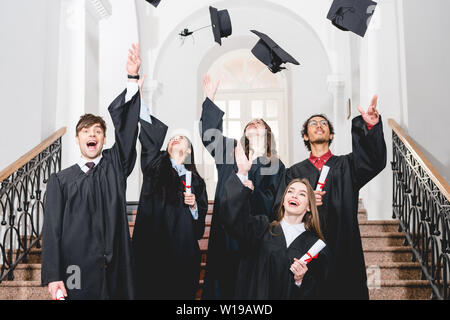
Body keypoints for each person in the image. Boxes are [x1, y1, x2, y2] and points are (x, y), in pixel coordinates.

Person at [41, 43, 143, 300]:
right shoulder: (61, 181)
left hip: (115, 268)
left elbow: (128, 135)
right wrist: (54, 277)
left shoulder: (114, 166)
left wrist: (132, 80)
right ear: (77, 139)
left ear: (103, 138)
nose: (92, 134)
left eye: (97, 131)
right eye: (86, 131)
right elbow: (52, 230)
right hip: (76, 272)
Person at [272, 95, 387, 299]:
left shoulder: (348, 166)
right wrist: (303, 202)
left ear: (331, 134)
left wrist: (370, 127)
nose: (319, 125)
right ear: (305, 136)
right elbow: (279, 209)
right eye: (313, 123)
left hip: (344, 245)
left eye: (324, 123)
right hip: (306, 247)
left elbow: (374, 162)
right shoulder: (293, 172)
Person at [199, 75, 286, 299]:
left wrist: (247, 187)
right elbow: (210, 136)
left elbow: (274, 201)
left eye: (260, 123)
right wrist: (209, 98)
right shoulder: (231, 151)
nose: (254, 124)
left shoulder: (275, 164)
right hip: (226, 230)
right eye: (250, 123)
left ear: (268, 134)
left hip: (254, 234)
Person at [218, 143, 329, 299]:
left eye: (302, 194)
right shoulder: (261, 228)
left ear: (309, 207)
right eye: (290, 191)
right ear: (283, 201)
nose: (295, 195)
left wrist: (300, 280)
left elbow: (320, 290)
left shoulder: (314, 246)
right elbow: (232, 218)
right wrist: (242, 172)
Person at [132, 98, 208, 299]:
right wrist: (138, 101)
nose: (176, 138)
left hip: (182, 251)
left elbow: (198, 229)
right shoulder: (155, 166)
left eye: (182, 138)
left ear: (189, 150)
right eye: (173, 137)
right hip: (153, 248)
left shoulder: (197, 183)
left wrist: (193, 208)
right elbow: (149, 139)